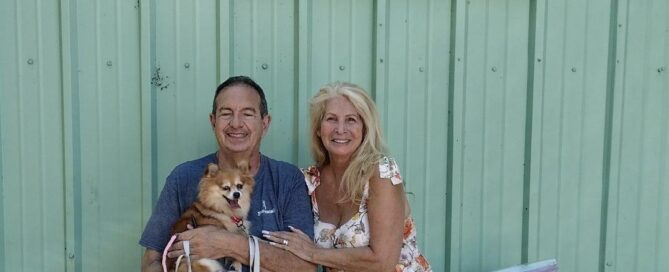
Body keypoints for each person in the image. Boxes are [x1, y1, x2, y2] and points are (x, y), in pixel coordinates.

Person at [139, 76, 316, 271]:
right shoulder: (183, 177)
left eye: (247, 114)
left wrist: (228, 243)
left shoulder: (287, 178)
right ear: (213, 121)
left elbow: (305, 267)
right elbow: (152, 261)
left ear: (265, 123)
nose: (236, 123)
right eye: (226, 113)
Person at [264, 82, 432, 271]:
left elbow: (383, 261)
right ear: (318, 129)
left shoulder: (380, 173)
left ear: (365, 128)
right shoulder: (309, 181)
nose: (340, 129)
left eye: (351, 120)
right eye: (331, 119)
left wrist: (312, 253)